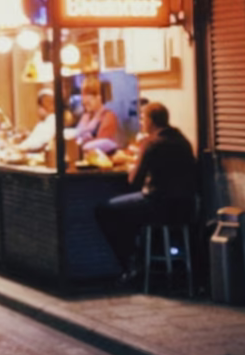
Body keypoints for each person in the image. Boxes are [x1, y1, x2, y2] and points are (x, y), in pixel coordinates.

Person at [94, 102, 199, 284]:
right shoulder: (183, 141)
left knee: (105, 210)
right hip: (186, 207)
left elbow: (133, 181)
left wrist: (134, 162)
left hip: (158, 206)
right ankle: (143, 258)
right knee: (130, 213)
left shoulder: (151, 143)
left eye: (143, 118)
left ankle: (131, 263)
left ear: (151, 121)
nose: (141, 122)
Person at [74, 78, 119, 155]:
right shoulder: (85, 117)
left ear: (99, 97)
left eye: (88, 102)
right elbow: (75, 138)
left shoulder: (108, 116)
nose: (84, 101)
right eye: (83, 96)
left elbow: (103, 143)